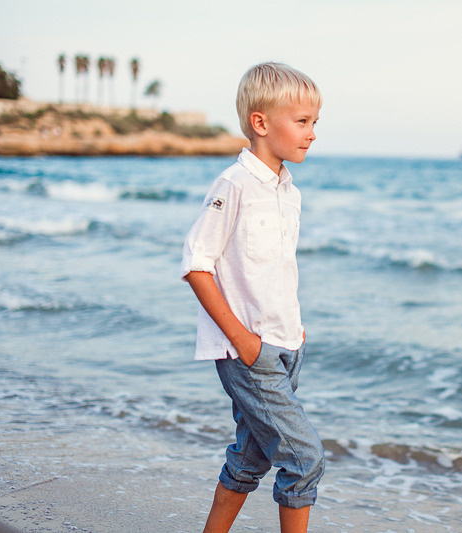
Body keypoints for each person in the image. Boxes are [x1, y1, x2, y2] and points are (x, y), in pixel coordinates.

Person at [181, 62, 324, 533]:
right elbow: (196, 264)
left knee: (250, 457)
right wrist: (242, 339)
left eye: (314, 123)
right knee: (304, 458)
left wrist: (295, 331)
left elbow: (274, 270)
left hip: (287, 346)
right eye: (301, 122)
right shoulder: (233, 185)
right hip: (250, 352)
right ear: (261, 123)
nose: (311, 133)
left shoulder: (289, 191)